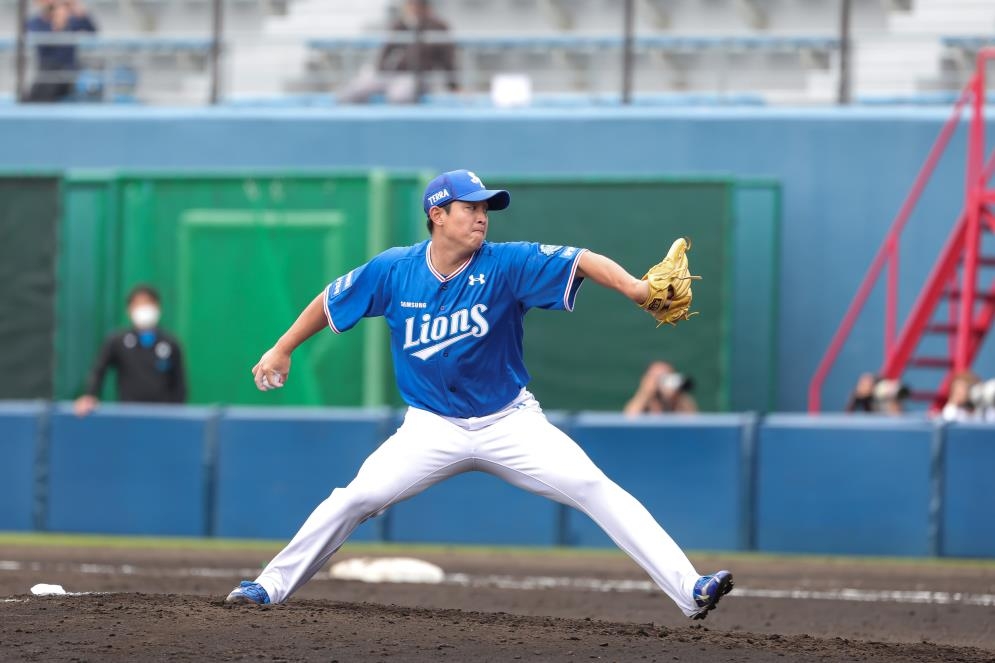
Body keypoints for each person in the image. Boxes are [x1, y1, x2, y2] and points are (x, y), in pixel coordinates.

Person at [224, 169, 733, 620]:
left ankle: (690, 588)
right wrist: (282, 347)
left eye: (485, 207)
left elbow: (581, 260)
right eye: (470, 207)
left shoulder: (507, 264)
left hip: (510, 422)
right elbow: (331, 299)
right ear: (437, 214)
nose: (482, 216)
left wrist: (637, 290)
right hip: (430, 427)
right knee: (355, 497)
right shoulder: (394, 270)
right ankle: (268, 586)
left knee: (594, 487)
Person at [73, 285, 187, 416]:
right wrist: (89, 395)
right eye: (138, 304)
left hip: (162, 417)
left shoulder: (171, 344)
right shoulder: (117, 342)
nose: (143, 308)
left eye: (148, 303)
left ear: (158, 307)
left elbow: (179, 386)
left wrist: (175, 414)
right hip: (128, 415)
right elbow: (98, 370)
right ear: (129, 310)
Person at [338, 0, 459, 104]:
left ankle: (397, 129)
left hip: (416, 76)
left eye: (415, 5)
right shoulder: (402, 24)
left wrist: (454, 87)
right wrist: (380, 69)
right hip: (392, 73)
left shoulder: (438, 26)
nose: (412, 8)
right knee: (354, 91)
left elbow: (448, 60)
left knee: (399, 96)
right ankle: (360, 127)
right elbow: (386, 50)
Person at [25, 0, 98, 103]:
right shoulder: (35, 22)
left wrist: (81, 13)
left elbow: (92, 31)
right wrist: (56, 27)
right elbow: (42, 45)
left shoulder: (71, 21)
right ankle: (33, 104)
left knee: (51, 78)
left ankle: (32, 103)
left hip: (68, 73)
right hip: (47, 73)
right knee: (49, 75)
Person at [624, 361, 698, 415]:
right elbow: (629, 419)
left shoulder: (680, 400)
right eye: (657, 377)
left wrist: (678, 396)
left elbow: (692, 421)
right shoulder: (643, 402)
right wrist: (645, 393)